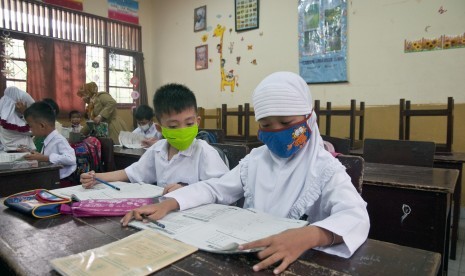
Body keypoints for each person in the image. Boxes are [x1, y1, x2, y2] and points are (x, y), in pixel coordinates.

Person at [121, 72, 370, 274]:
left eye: (285, 123)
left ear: (309, 118)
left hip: (297, 261)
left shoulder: (325, 167)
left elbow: (355, 215)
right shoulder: (256, 160)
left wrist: (308, 236)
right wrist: (171, 203)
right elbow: (216, 188)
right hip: (249, 258)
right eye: (265, 125)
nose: (276, 131)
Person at [80, 83, 229, 195]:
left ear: (198, 122)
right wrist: (96, 177)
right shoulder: (158, 150)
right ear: (160, 129)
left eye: (189, 123)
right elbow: (131, 173)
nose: (182, 130)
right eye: (173, 126)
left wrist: (189, 190)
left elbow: (224, 189)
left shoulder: (204, 152)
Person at [23, 101, 77, 184]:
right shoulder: (47, 139)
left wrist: (45, 158)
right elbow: (45, 157)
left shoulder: (59, 140)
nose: (30, 130)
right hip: (51, 178)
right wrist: (33, 154)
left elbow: (71, 159)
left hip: (62, 182)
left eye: (31, 126)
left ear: (42, 126)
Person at [0, 86, 36, 151]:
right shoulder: (10, 122)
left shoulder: (4, 117)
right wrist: (25, 112)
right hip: (20, 154)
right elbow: (33, 130)